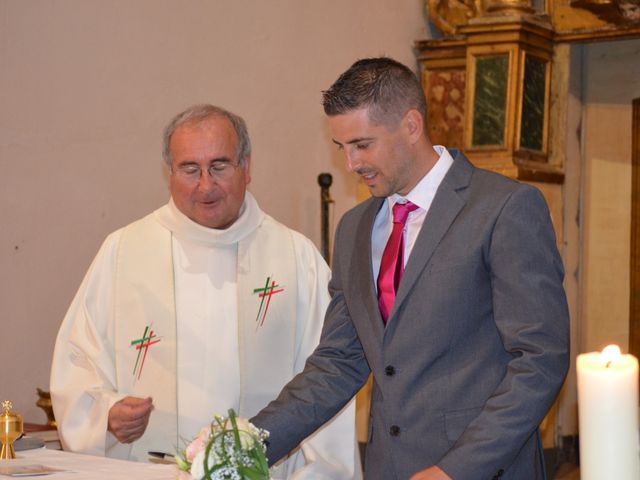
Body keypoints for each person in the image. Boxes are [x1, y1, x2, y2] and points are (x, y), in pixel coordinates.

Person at [251, 57, 570, 480]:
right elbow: (338, 363)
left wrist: (456, 469)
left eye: (363, 144)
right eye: (341, 147)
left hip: (484, 470)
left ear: (412, 125)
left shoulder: (503, 209)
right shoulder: (354, 228)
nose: (350, 163)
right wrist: (244, 445)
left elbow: (539, 359)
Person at [50, 104, 361, 479]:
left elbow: (331, 375)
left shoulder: (295, 258)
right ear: (170, 173)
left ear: (246, 167)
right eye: (190, 169)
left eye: (219, 166)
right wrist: (106, 415)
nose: (205, 185)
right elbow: (78, 361)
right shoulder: (123, 252)